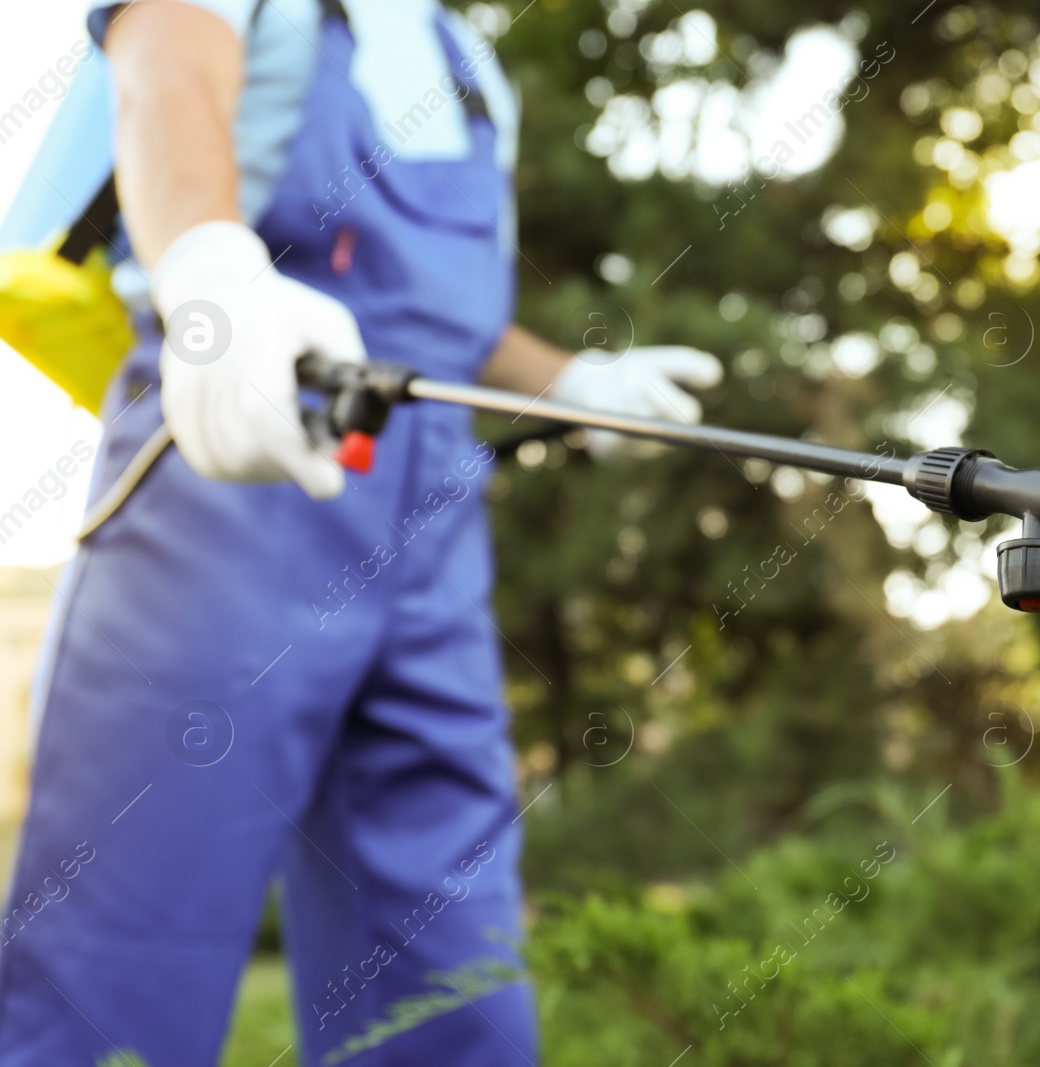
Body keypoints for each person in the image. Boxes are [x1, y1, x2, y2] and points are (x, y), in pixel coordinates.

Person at [0, 1, 722, 1063]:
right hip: (234, 466)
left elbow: (453, 315)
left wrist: (573, 382)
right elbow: (168, 80)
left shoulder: (469, 65)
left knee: (445, 937)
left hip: (431, 509)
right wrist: (212, 274)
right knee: (131, 917)